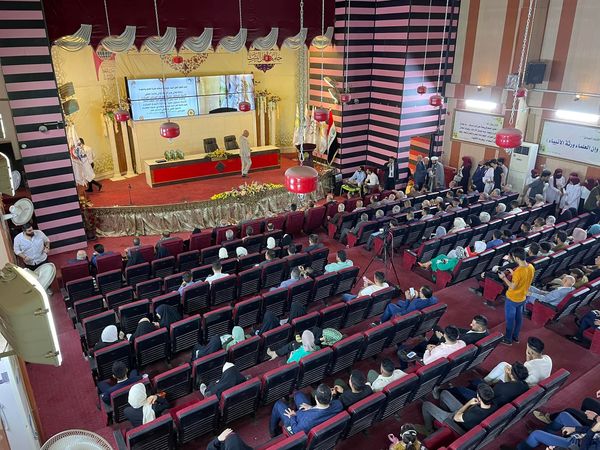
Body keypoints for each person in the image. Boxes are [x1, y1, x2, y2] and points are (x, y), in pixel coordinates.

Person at [269, 383, 343, 437]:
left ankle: (273, 432)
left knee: (278, 404)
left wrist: (292, 416)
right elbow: (323, 408)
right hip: (312, 412)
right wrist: (311, 407)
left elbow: (296, 430)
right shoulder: (338, 405)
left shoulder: (307, 421)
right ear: (331, 398)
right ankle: (293, 400)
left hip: (296, 421)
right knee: (298, 394)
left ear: (316, 398)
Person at [420, 383, 495, 434]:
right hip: (465, 415)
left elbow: (456, 417)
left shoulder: (474, 414)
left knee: (426, 405)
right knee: (444, 393)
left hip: (455, 422)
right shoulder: (493, 405)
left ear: (479, 397)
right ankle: (443, 411)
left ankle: (429, 429)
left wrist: (469, 403)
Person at [503, 412, 600, 450]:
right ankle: (547, 432)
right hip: (588, 436)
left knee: (536, 434)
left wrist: (592, 431)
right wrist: (575, 429)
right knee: (564, 415)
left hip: (578, 446)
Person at [448, 362, 529, 406]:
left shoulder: (500, 387)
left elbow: (487, 395)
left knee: (459, 389)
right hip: (499, 402)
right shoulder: (524, 385)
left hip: (484, 402)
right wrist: (507, 374)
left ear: (511, 375)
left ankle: (445, 392)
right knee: (476, 381)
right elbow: (509, 383)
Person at [499, 247, 534, 345]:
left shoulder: (519, 271)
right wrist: (514, 274)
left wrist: (504, 277)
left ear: (517, 258)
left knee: (510, 320)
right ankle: (515, 337)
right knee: (519, 318)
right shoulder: (531, 267)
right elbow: (524, 279)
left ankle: (508, 339)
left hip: (513, 298)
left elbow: (512, 286)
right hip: (522, 297)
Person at [485, 336, 552, 386]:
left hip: (522, 387)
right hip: (535, 385)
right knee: (503, 365)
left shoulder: (528, 366)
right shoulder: (548, 358)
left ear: (531, 352)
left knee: (502, 371)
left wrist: (507, 373)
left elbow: (515, 381)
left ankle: (485, 383)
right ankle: (488, 383)